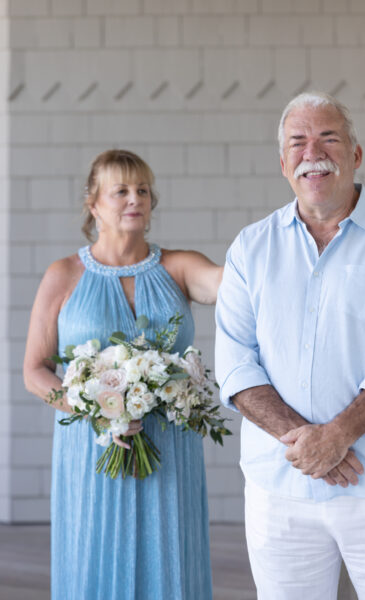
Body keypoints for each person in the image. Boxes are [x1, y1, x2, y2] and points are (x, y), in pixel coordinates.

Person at [215, 92, 365, 599]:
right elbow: (234, 362)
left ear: (356, 155)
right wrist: (311, 443)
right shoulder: (251, 247)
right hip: (280, 488)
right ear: (283, 163)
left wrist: (339, 434)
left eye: (328, 138)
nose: (311, 152)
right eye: (298, 141)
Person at [24, 149, 222, 600]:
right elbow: (34, 370)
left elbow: (231, 284)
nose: (135, 199)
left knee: (170, 562)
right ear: (94, 204)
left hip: (169, 448)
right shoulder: (63, 275)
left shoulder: (178, 266)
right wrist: (94, 408)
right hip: (91, 451)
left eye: (143, 190)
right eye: (121, 191)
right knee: (92, 558)